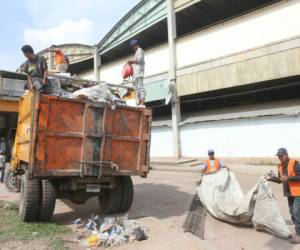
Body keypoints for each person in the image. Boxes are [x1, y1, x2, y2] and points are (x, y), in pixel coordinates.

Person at [266, 148, 300, 244]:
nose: (280, 158)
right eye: (278, 156)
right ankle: (298, 231)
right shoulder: (280, 166)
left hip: (298, 193)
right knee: (292, 212)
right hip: (289, 193)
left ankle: (299, 234)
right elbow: (280, 180)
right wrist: (271, 178)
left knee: (297, 212)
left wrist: (288, 178)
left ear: (286, 154)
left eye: (281, 156)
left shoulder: (294, 164)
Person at [127, 39, 146, 106]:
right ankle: (139, 102)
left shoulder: (140, 50)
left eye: (133, 47)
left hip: (139, 72)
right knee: (136, 88)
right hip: (136, 73)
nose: (133, 48)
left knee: (141, 87)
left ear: (135, 45)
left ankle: (142, 102)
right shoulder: (137, 52)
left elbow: (139, 60)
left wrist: (131, 61)